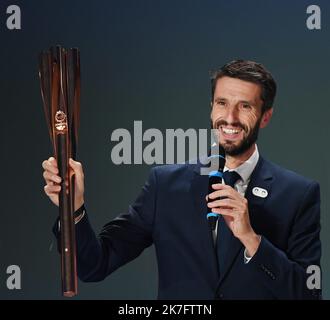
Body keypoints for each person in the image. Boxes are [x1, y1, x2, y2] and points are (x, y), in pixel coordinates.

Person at [42, 60, 321, 299]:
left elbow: (308, 293)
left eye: (245, 106)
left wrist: (252, 239)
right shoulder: (165, 185)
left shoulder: (299, 194)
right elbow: (94, 265)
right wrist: (74, 208)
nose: (230, 118)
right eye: (222, 103)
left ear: (265, 117)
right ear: (211, 107)